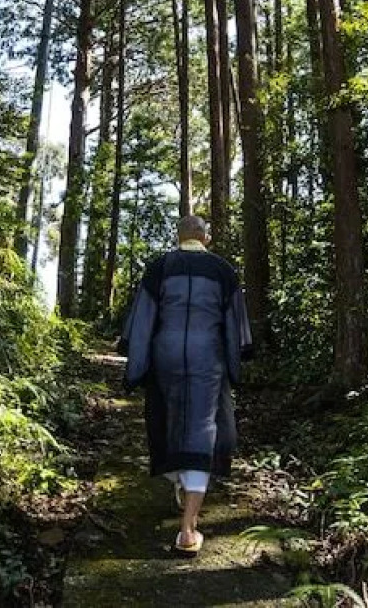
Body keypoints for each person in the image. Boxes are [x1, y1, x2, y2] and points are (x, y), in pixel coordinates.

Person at [118, 214, 253, 556]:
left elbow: (143, 318)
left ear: (179, 238)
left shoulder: (159, 267)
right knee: (202, 429)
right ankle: (188, 531)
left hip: (165, 356)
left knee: (168, 421)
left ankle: (180, 482)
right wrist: (236, 362)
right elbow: (236, 324)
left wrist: (135, 362)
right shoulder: (223, 271)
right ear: (205, 238)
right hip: (208, 357)